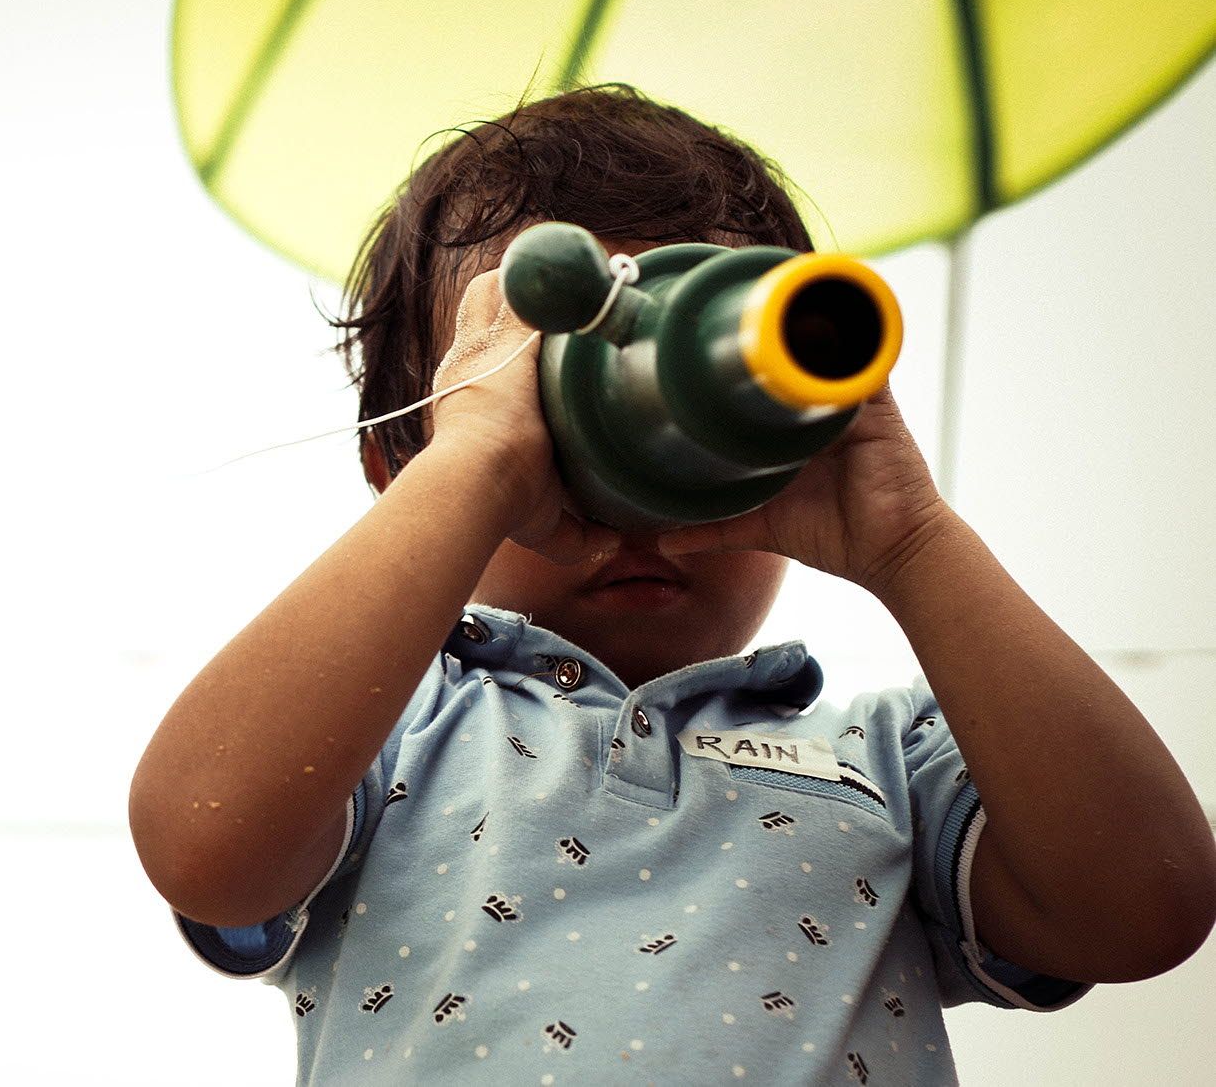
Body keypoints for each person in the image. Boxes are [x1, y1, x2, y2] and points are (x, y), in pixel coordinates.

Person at [129, 84, 1215, 1084]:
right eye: (557, 427)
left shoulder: (893, 762)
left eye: (696, 428)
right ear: (400, 468)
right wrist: (478, 467)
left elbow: (1144, 906)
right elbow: (202, 842)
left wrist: (909, 541)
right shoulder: (381, 735)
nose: (637, 503)